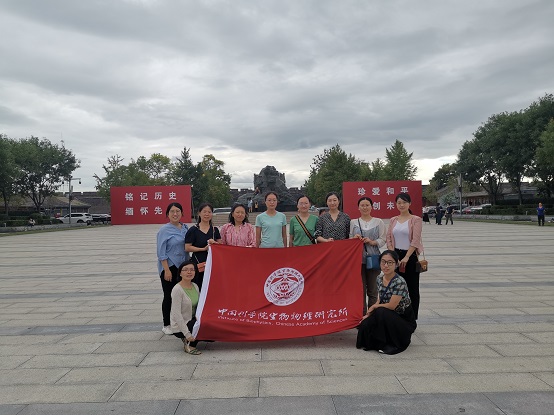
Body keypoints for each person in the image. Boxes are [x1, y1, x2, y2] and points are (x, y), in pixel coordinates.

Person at [356, 250, 417, 355]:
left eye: (390, 262)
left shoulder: (399, 282)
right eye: (383, 262)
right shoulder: (379, 278)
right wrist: (369, 314)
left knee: (380, 311)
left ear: (396, 264)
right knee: (365, 324)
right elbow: (381, 298)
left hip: (402, 318)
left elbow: (392, 306)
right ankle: (377, 342)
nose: (386, 266)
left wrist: (373, 307)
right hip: (387, 313)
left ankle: (391, 342)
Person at [386, 192, 424, 319]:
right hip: (396, 256)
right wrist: (393, 255)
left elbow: (415, 240)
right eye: (399, 203)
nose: (401, 205)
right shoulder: (393, 220)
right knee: (396, 287)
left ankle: (412, 317)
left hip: (410, 256)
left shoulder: (416, 220)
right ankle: (398, 315)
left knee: (412, 287)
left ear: (409, 204)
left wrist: (407, 257)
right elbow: (388, 238)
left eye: (404, 202)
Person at [157, 202, 189, 335]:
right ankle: (167, 324)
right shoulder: (164, 230)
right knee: (169, 296)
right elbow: (161, 252)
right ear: (167, 214)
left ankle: (180, 322)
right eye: (172, 211)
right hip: (169, 267)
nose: (175, 214)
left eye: (178, 211)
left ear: (182, 213)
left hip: (183, 267)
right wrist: (166, 270)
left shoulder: (185, 228)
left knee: (181, 296)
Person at [350, 197, 386, 312]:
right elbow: (349, 239)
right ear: (358, 207)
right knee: (360, 290)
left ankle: (372, 314)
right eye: (362, 205)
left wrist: (372, 242)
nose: (365, 207)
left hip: (374, 259)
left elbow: (383, 239)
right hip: (358, 260)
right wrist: (354, 239)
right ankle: (362, 315)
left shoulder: (378, 222)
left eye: (367, 205)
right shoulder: (353, 222)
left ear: (371, 207)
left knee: (373, 290)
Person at [185, 203, 221, 290]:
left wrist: (214, 243)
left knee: (212, 288)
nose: (207, 214)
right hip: (198, 264)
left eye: (209, 212)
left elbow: (220, 246)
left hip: (212, 264)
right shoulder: (193, 230)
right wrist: (203, 249)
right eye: (204, 212)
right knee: (198, 288)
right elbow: (187, 247)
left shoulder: (215, 230)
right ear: (199, 213)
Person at [170, 261, 201, 355]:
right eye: (185, 270)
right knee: (200, 327)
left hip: (193, 319)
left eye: (192, 270)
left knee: (209, 331)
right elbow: (176, 314)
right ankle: (189, 345)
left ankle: (193, 336)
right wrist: (187, 334)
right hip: (181, 324)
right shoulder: (177, 289)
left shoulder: (195, 286)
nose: (189, 272)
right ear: (180, 273)